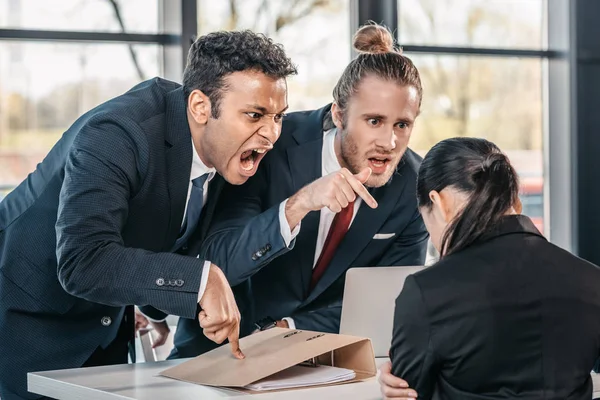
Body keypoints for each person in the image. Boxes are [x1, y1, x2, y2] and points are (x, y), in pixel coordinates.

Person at [0, 30, 296, 400]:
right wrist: (202, 279)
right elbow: (83, 261)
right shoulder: (118, 133)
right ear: (201, 107)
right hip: (23, 320)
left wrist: (152, 307)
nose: (271, 133)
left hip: (105, 327)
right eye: (255, 115)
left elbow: (153, 226)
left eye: (278, 117)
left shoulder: (225, 151)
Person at [153, 22, 429, 358]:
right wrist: (298, 205)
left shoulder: (414, 186)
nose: (389, 142)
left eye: (402, 124)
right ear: (339, 115)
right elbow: (219, 258)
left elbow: (391, 303)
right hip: (217, 351)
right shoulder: (270, 143)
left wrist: (289, 330)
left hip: (322, 358)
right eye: (374, 121)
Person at [380, 137, 600, 400]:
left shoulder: (426, 291)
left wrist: (392, 381)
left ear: (439, 203)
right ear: (515, 203)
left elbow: (408, 392)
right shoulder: (591, 279)